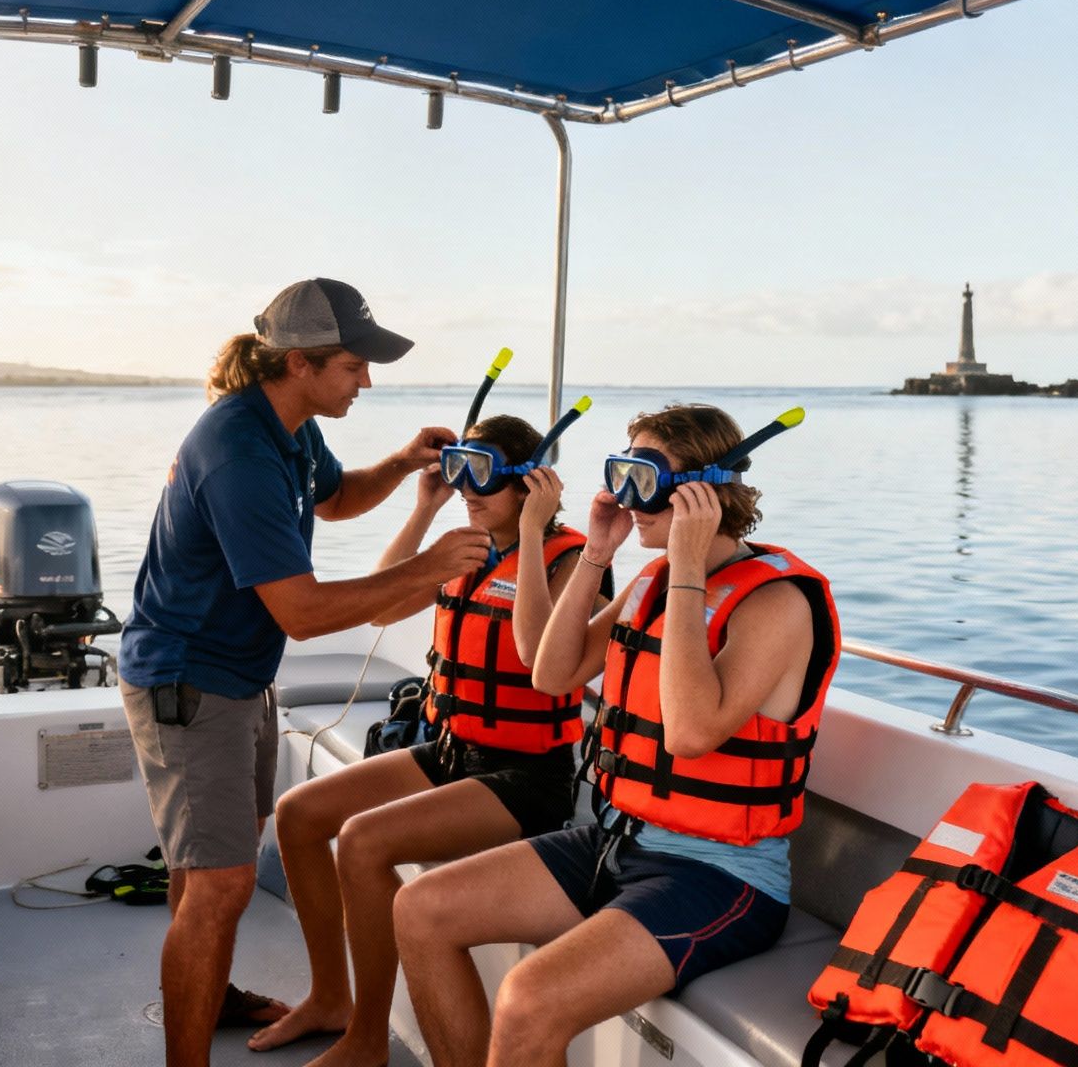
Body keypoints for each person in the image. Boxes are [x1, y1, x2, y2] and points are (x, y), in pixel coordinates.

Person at [117, 278, 493, 1067]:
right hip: (191, 683)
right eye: (354, 366)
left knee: (209, 869)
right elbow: (304, 613)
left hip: (239, 675)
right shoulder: (238, 452)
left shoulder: (287, 428)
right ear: (299, 363)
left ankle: (209, 998)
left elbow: (333, 500)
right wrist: (426, 567)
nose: (367, 381)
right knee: (220, 885)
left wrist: (400, 468)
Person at [394, 403, 841, 1067]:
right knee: (421, 910)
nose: (629, 497)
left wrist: (687, 568)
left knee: (529, 996)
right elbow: (552, 672)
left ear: (707, 491)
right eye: (621, 473)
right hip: (617, 841)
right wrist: (596, 551)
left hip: (721, 876)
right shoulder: (650, 582)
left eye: (648, 478)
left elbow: (690, 735)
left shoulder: (776, 603)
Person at [248, 413, 610, 1067]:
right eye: (458, 472)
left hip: (526, 775)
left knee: (362, 841)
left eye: (484, 478)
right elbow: (383, 609)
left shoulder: (572, 560)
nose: (468, 490)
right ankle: (333, 997)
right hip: (448, 752)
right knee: (298, 815)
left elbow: (540, 662)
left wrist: (528, 536)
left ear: (531, 486)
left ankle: (367, 1041)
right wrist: (422, 512)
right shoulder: (460, 545)